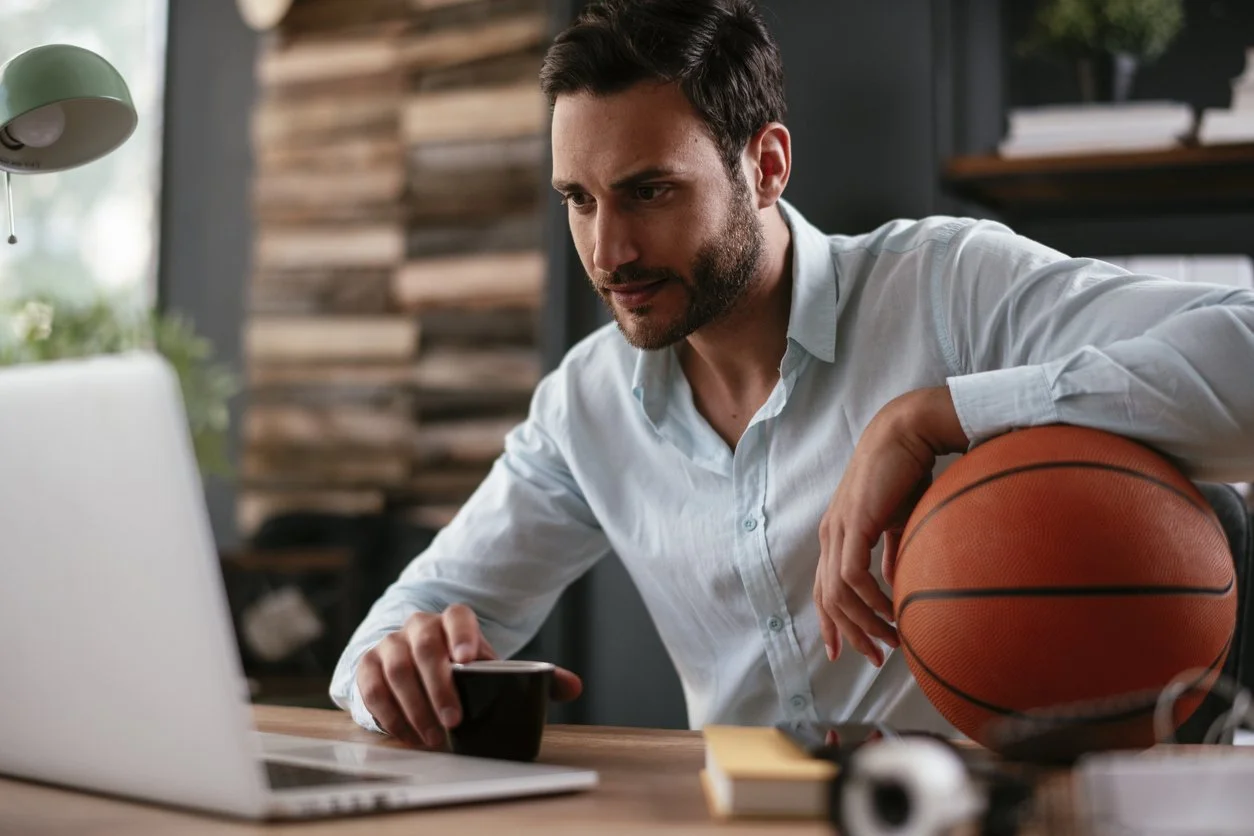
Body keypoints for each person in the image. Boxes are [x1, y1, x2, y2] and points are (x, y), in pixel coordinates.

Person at [330, 0, 1254, 748]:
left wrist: (933, 417)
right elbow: (380, 639)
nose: (608, 251)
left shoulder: (947, 288)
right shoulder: (585, 405)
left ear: (765, 165)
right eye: (579, 200)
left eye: (650, 190)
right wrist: (396, 674)